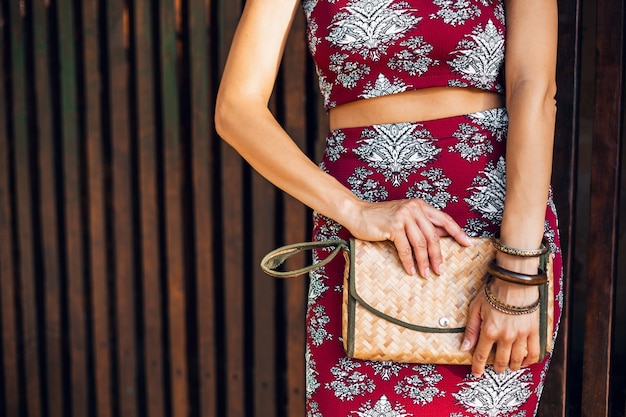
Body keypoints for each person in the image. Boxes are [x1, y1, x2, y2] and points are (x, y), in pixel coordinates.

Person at [215, 0, 563, 415]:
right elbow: (236, 108)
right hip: (362, 245)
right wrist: (355, 211)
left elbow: (535, 89)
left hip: (494, 238)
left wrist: (518, 271)